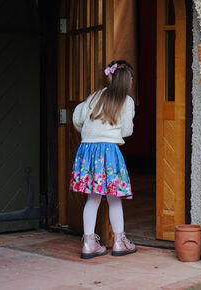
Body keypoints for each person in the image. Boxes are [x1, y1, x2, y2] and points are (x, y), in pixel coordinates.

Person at [70, 60, 137, 259]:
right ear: (128, 80)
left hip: (87, 150)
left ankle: (89, 243)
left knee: (92, 198)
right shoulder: (126, 101)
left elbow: (77, 118)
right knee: (114, 198)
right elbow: (126, 130)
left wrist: (90, 134)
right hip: (109, 152)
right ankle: (119, 241)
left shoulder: (94, 96)